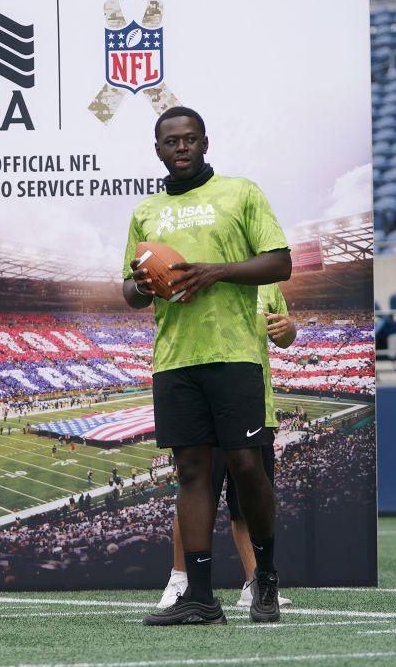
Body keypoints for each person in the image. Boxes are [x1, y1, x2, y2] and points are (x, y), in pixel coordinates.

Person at [125, 107, 291, 626]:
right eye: (171, 141)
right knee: (192, 474)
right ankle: (199, 597)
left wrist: (215, 272)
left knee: (246, 467)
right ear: (158, 149)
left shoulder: (241, 193)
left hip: (235, 352)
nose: (181, 147)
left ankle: (264, 580)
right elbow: (129, 290)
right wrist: (141, 285)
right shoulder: (146, 210)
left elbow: (280, 261)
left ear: (204, 143)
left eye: (190, 139)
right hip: (175, 359)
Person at [157, 283, 297, 610]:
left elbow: (284, 338)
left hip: (252, 401)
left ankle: (253, 582)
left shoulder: (268, 285)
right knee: (195, 487)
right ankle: (181, 579)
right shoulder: (197, 275)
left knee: (247, 496)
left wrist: (290, 329)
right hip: (204, 402)